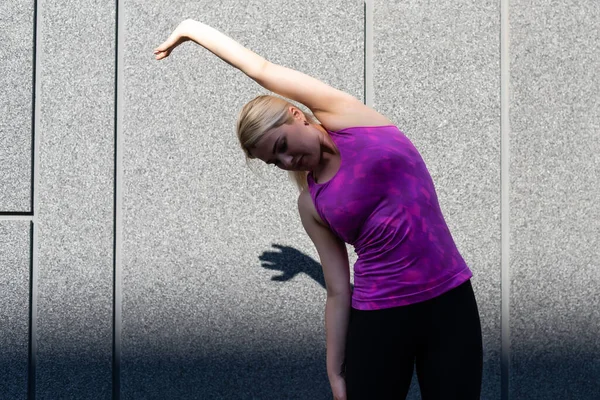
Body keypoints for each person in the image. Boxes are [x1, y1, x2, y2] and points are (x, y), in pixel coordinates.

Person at [154, 19, 483, 400]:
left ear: (295, 115)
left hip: (450, 301)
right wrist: (334, 370)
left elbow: (261, 70)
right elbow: (338, 290)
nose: (288, 159)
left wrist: (192, 29)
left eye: (281, 146)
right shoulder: (312, 204)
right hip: (380, 317)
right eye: (276, 162)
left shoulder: (349, 118)